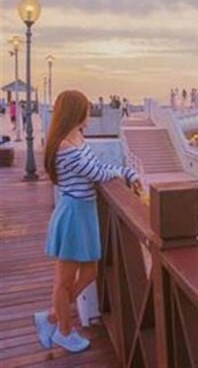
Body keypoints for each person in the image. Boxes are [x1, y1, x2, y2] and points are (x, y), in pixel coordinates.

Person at [34, 90, 141, 353]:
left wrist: (126, 172)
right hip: (73, 214)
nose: (89, 113)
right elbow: (97, 173)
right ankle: (64, 332)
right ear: (76, 112)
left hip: (84, 212)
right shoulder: (65, 146)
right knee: (64, 281)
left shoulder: (77, 137)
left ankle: (50, 317)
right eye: (86, 108)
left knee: (91, 271)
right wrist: (126, 172)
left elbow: (98, 168)